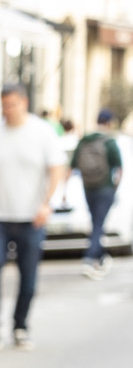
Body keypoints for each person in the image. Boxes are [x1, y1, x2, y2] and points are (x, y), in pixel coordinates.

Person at [0, 83, 66, 351]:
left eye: (12, 105)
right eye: (4, 105)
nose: (8, 110)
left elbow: (57, 170)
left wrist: (47, 204)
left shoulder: (42, 132)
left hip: (32, 218)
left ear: (24, 103)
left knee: (28, 276)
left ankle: (20, 326)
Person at [70, 108, 123, 279]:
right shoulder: (109, 141)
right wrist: (114, 188)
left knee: (96, 223)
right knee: (98, 224)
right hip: (105, 187)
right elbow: (119, 168)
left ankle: (100, 256)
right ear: (109, 122)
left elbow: (73, 165)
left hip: (88, 187)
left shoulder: (85, 140)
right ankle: (89, 258)